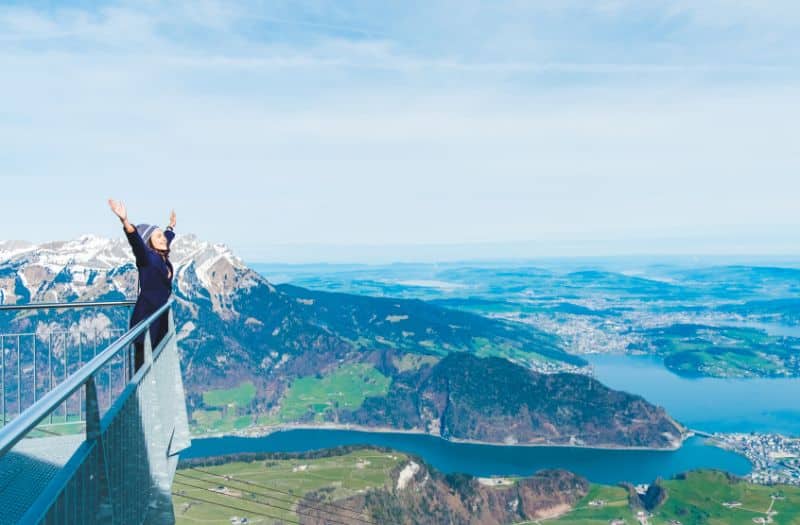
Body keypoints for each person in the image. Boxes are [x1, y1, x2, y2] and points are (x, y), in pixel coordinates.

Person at [108, 198, 176, 371]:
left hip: (159, 319)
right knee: (143, 370)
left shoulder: (162, 257)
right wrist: (125, 221)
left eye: (163, 236)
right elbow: (136, 242)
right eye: (158, 236)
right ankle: (141, 396)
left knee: (158, 363)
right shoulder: (147, 258)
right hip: (145, 321)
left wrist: (170, 228)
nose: (164, 239)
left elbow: (166, 238)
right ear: (149, 242)